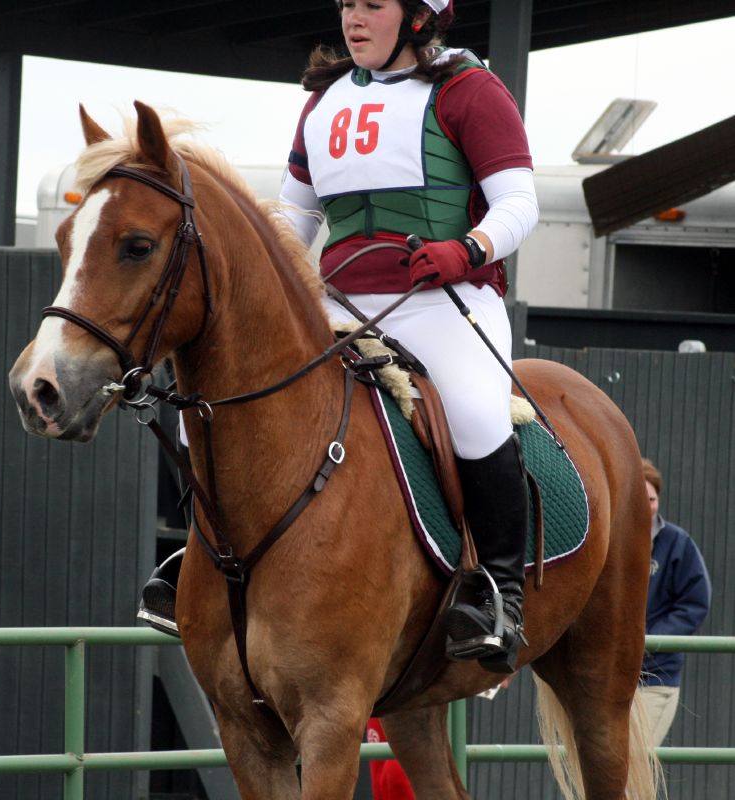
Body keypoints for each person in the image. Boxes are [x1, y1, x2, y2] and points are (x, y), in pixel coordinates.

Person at [140, 0, 539, 672]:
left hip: (441, 297)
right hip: (339, 302)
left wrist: (467, 249)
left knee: (474, 413)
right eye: (348, 4)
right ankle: (194, 553)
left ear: (418, 16)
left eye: (372, 5)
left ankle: (499, 591)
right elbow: (292, 223)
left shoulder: (468, 89)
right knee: (201, 407)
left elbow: (520, 202)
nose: (354, 19)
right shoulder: (321, 103)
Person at [640, 457, 711, 746]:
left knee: (635, 761)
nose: (647, 506)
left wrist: (649, 641)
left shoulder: (677, 543)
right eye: (639, 498)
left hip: (656, 676)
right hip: (608, 673)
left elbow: (695, 602)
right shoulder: (610, 539)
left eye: (652, 498)